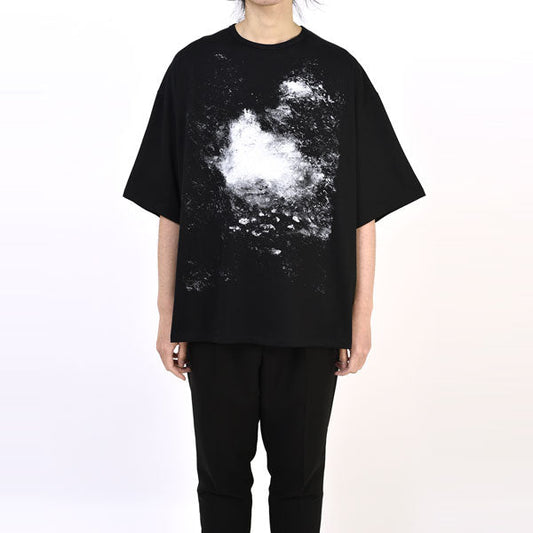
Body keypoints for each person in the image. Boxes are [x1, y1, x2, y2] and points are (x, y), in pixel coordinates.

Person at [122, 1, 426, 531]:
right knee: (220, 484)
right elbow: (171, 206)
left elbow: (364, 211)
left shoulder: (340, 72)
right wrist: (168, 313)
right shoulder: (193, 68)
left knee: (300, 487)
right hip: (214, 319)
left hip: (311, 321)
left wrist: (361, 316)